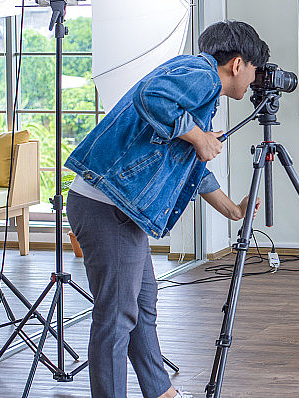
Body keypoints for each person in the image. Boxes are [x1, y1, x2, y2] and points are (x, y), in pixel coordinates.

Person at [64, 20, 268, 398]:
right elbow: (151, 97)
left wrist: (233, 211)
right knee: (116, 317)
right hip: (106, 206)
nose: (255, 81)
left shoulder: (196, 84)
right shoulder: (202, 74)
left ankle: (161, 392)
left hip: (118, 206)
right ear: (238, 64)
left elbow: (192, 167)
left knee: (142, 306)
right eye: (256, 70)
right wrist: (198, 137)